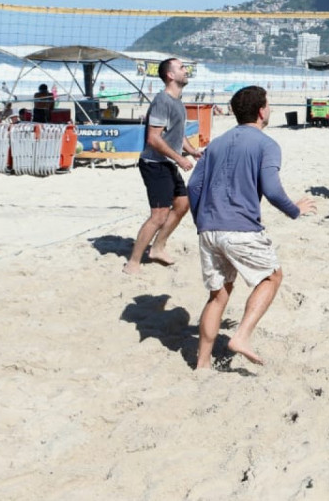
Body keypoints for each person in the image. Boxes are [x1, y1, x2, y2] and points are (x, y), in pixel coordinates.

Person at [188, 86, 316, 369]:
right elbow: (272, 189)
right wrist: (295, 210)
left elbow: (193, 186)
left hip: (208, 227)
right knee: (272, 277)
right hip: (240, 228)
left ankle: (202, 364)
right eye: (268, 104)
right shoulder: (266, 143)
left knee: (218, 295)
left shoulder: (217, 143)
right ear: (261, 111)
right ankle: (242, 336)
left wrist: (202, 221)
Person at [124, 58, 205, 275]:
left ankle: (157, 247)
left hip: (166, 162)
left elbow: (178, 135)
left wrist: (192, 150)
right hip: (154, 164)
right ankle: (133, 262)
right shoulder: (163, 101)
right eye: (181, 68)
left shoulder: (177, 101)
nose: (186, 70)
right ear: (170, 75)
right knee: (158, 215)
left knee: (182, 205)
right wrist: (179, 159)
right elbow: (153, 138)